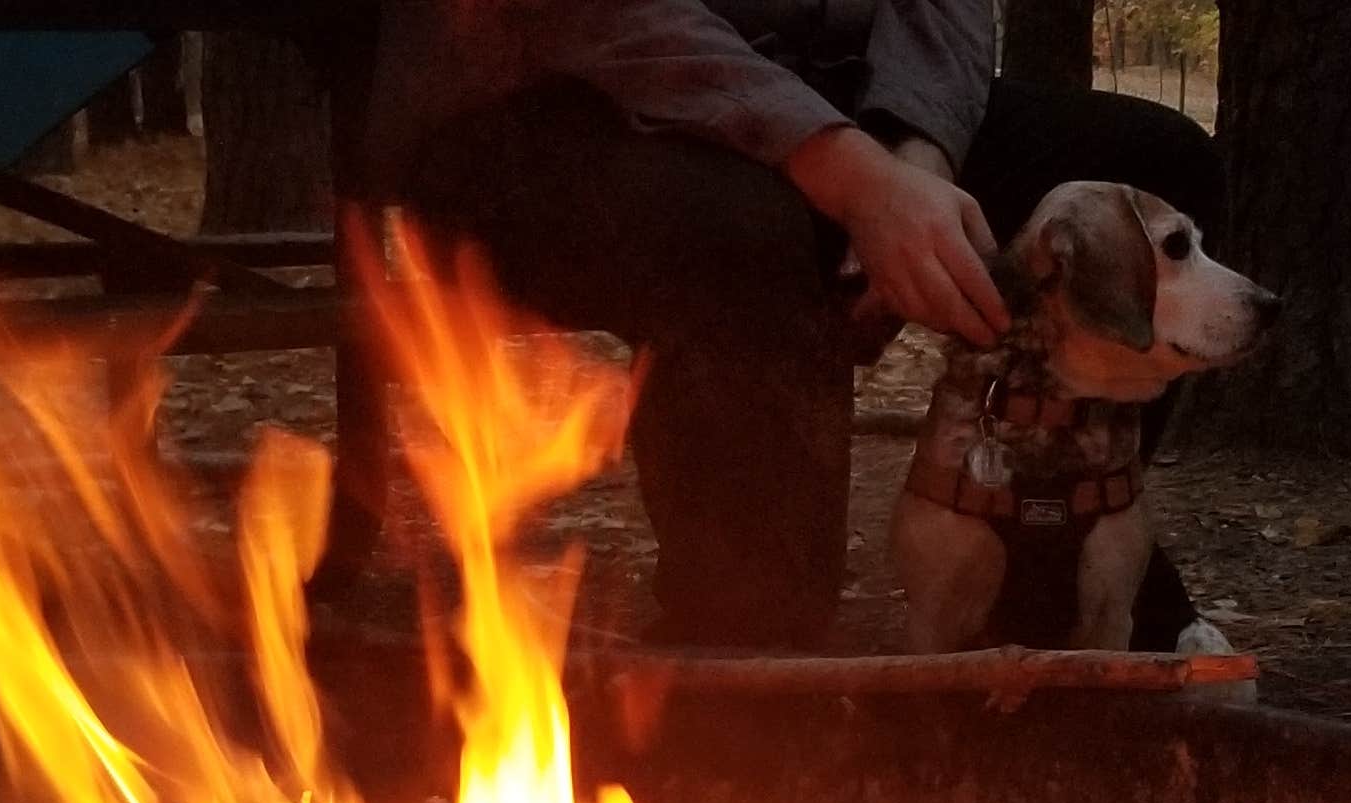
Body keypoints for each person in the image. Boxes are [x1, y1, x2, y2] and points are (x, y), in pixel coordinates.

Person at [365, 0, 1222, 651]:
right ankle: (747, 646)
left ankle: (1059, 551)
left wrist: (913, 157)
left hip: (846, 94)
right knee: (738, 221)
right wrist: (850, 178)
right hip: (547, 103)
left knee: (1150, 165)